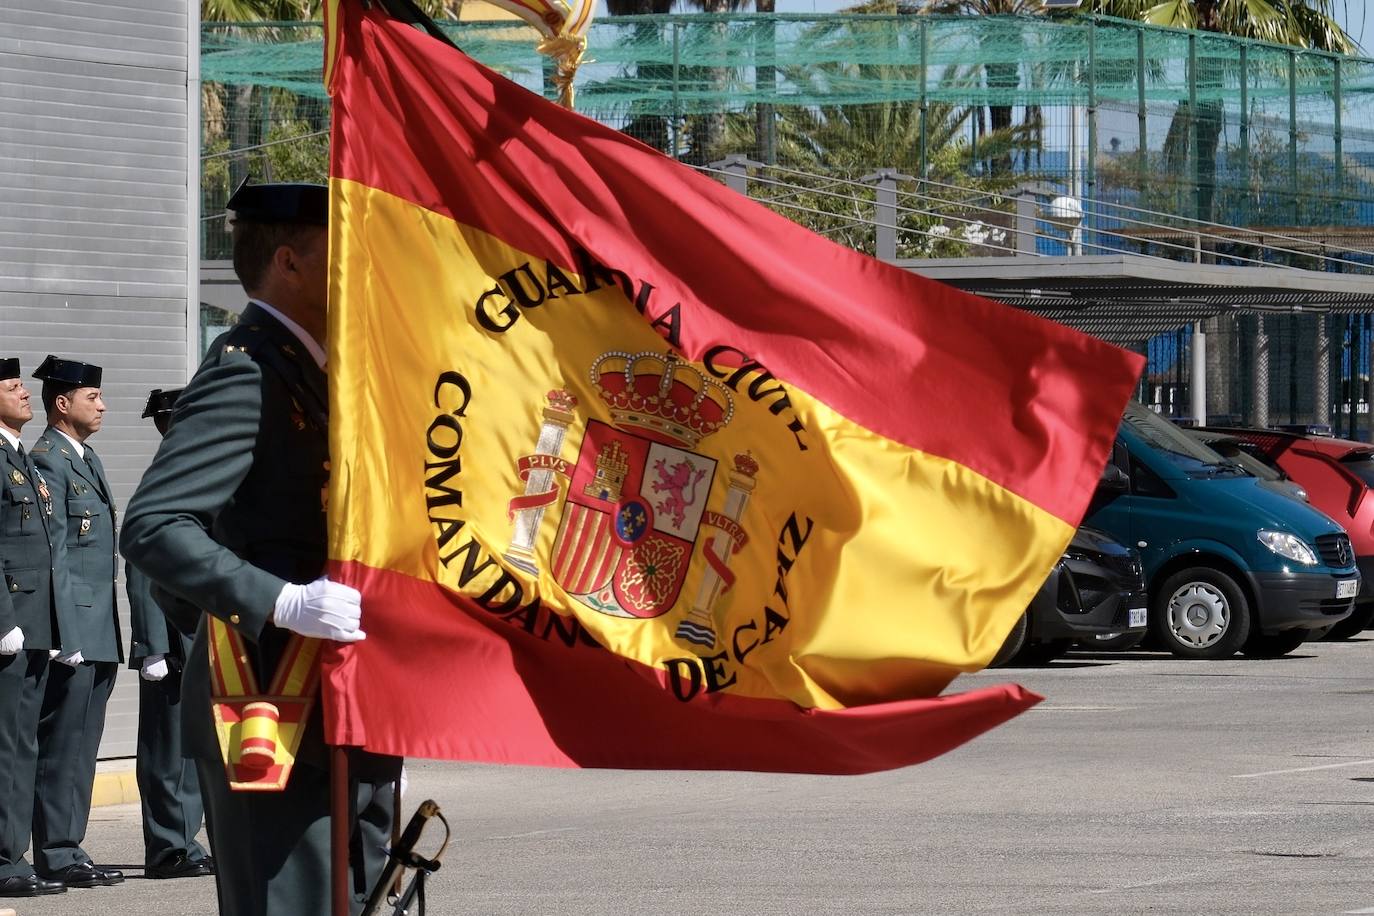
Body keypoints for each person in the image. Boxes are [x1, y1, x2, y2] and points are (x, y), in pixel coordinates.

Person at [121, 180, 399, 916]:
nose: (363, 270)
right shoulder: (245, 368)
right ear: (289, 262)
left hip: (348, 692)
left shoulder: (323, 370)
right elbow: (155, 525)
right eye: (343, 252)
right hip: (271, 702)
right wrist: (280, 602)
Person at [28, 356, 124, 890]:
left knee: (83, 744)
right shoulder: (49, 460)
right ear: (62, 404)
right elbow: (55, 553)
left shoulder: (84, 457)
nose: (103, 405)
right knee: (63, 743)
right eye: (93, 397)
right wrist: (64, 631)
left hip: (98, 627)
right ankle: (56, 851)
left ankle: (69, 845)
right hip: (76, 630)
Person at [126, 387, 214, 880]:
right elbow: (142, 568)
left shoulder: (193, 475)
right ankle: (167, 847)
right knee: (166, 751)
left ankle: (186, 839)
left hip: (197, 637)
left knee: (193, 749)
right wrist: (152, 645)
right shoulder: (162, 479)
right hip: (170, 641)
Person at [0, 359, 67, 899]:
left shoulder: (21, 457)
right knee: (7, 745)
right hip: (11, 625)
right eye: (12, 386)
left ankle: (13, 855)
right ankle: (3, 859)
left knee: (23, 743)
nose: (25, 393)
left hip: (36, 623)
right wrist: (3, 619)